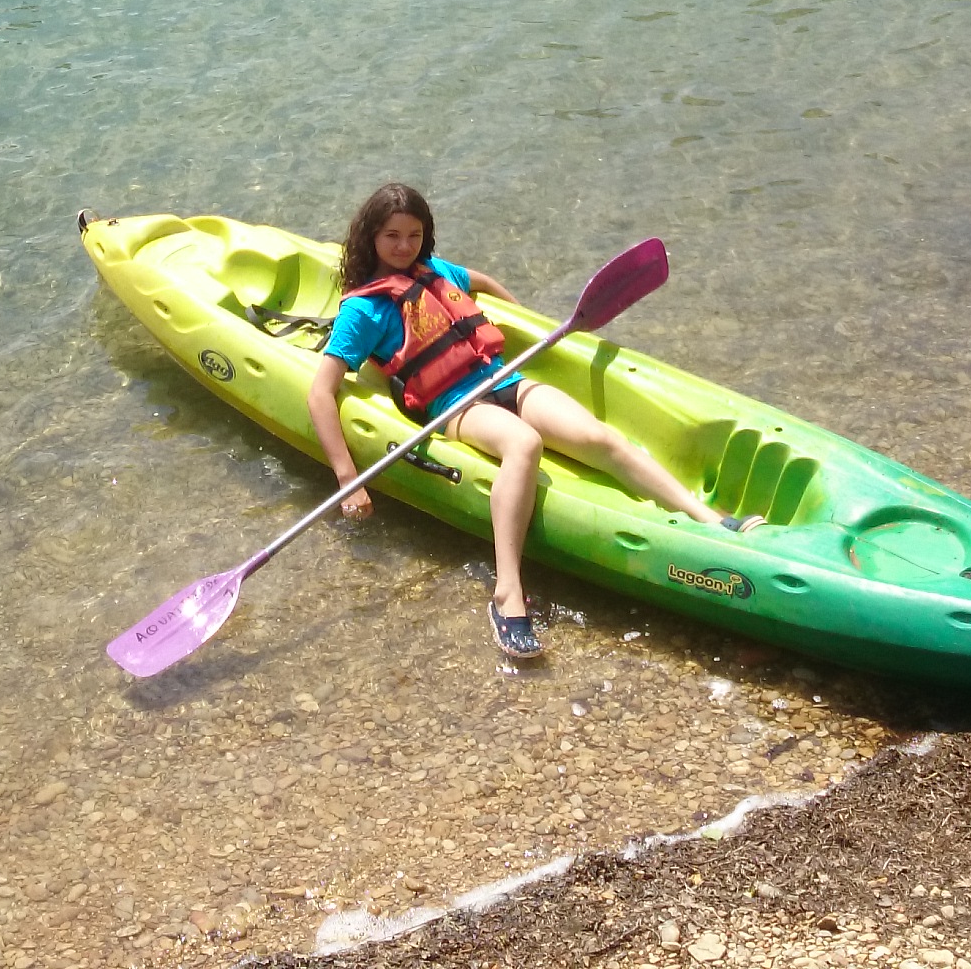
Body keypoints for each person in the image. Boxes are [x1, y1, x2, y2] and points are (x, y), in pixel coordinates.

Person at [305, 181, 755, 660]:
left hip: (503, 381)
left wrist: (525, 316)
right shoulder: (362, 309)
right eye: (392, 235)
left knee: (598, 436)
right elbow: (320, 393)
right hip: (455, 406)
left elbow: (478, 280)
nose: (403, 246)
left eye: (414, 235)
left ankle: (710, 520)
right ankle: (507, 592)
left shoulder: (434, 271)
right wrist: (348, 478)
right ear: (371, 236)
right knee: (523, 445)